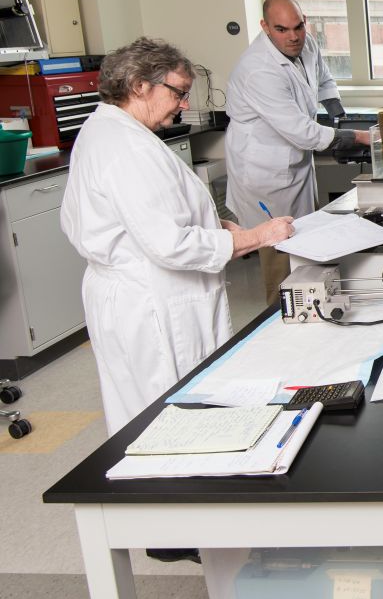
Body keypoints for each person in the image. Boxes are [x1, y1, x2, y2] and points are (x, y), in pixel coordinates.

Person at [61, 38, 295, 436]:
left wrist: (218, 229)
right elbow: (170, 245)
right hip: (152, 302)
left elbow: (148, 221)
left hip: (141, 293)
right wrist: (258, 237)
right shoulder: (125, 148)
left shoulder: (115, 132)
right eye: (179, 93)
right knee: (166, 419)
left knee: (160, 410)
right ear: (139, 85)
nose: (184, 105)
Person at [225, 0, 370, 300]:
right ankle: (279, 315)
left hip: (294, 165)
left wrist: (338, 116)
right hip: (265, 174)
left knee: (303, 244)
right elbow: (301, 132)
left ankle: (311, 304)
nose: (293, 36)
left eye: (299, 26)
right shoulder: (258, 70)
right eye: (282, 29)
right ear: (265, 27)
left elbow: (323, 79)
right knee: (279, 252)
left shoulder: (305, 44)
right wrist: (356, 137)